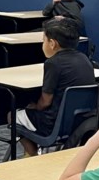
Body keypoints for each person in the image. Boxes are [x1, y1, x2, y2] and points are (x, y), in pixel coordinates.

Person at [13, 19, 94, 157]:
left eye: (43, 40)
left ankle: (32, 154)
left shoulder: (53, 63)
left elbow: (45, 101)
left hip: (53, 124)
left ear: (52, 43)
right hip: (81, 122)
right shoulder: (84, 58)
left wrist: (34, 107)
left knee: (12, 115)